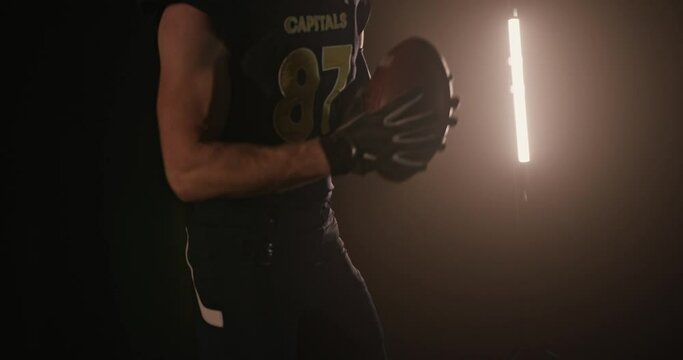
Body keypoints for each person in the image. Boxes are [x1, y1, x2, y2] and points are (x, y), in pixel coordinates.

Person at [148, 0, 456, 358]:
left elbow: (338, 92)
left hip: (315, 228)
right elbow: (186, 170)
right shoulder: (202, 10)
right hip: (237, 251)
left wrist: (390, 118)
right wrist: (335, 152)